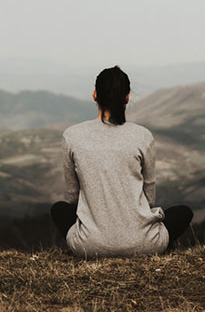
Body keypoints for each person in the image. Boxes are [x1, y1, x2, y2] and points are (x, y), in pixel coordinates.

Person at [50, 65, 193, 257]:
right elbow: (149, 197)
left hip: (89, 246)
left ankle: (96, 240)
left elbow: (73, 198)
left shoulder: (72, 136)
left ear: (94, 95)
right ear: (127, 97)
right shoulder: (142, 136)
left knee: (59, 209)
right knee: (183, 212)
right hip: (145, 245)